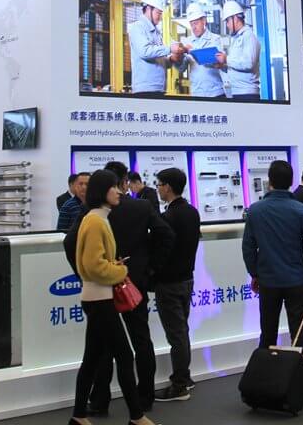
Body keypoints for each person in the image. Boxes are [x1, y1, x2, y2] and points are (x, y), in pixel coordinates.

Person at [69, 162, 173, 415]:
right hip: (130, 284)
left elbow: (70, 242)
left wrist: (83, 275)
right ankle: (144, 399)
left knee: (102, 348)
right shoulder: (136, 208)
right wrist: (148, 269)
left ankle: (99, 401)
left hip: (104, 287)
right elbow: (166, 235)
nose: (118, 190)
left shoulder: (91, 213)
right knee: (139, 341)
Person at [242, 160, 303, 350]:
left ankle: (267, 368)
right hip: (296, 281)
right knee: (299, 335)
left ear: (269, 180)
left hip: (268, 280)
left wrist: (254, 273)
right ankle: (299, 368)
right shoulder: (301, 210)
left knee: (267, 333)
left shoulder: (255, 210)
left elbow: (248, 247)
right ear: (291, 181)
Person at [152, 167, 200, 402]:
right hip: (186, 279)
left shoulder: (168, 217)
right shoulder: (192, 212)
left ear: (168, 187)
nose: (158, 189)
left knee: (176, 334)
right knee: (182, 330)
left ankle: (179, 384)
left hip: (169, 282)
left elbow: (161, 250)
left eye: (159, 184)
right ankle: (185, 377)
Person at [128, 0, 182, 96]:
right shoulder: (137, 27)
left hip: (158, 88)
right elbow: (145, 52)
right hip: (145, 90)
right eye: (158, 13)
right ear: (148, 8)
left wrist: (171, 59)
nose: (160, 17)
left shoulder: (156, 32)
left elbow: (158, 60)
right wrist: (170, 49)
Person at [182, 3, 225, 98]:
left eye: (196, 23)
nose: (194, 27)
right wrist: (178, 55)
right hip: (197, 93)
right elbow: (182, 68)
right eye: (191, 24)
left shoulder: (215, 39)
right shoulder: (187, 41)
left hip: (216, 92)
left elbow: (213, 60)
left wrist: (192, 51)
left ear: (204, 21)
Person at [219, 0, 260, 101]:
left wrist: (226, 59)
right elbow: (235, 64)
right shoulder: (235, 39)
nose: (227, 25)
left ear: (236, 18)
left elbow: (249, 63)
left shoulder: (249, 36)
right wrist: (222, 65)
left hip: (247, 93)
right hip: (237, 92)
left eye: (228, 21)